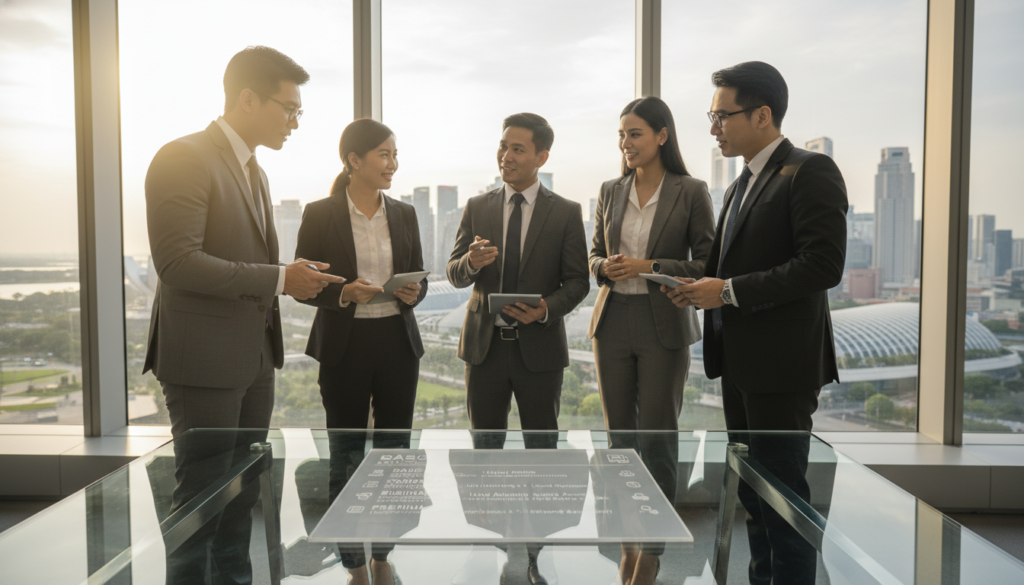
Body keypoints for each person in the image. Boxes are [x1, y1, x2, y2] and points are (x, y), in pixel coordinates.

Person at [143, 46, 344, 584]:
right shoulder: (183, 157)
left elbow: (241, 258)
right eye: (289, 109)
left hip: (254, 357)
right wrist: (280, 278)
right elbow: (177, 262)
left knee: (239, 496)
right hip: (204, 360)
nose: (295, 122)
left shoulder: (255, 171)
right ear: (248, 99)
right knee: (200, 502)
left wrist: (290, 275)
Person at [666, 61, 848, 585]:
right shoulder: (739, 184)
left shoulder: (809, 171)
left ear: (762, 115)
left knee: (784, 502)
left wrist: (726, 292)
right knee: (753, 494)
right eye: (712, 117)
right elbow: (721, 268)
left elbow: (822, 266)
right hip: (741, 364)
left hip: (782, 367)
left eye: (722, 116)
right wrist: (682, 283)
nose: (713, 128)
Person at [446, 112, 589, 584]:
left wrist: (546, 308)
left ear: (541, 157)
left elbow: (578, 281)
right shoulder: (477, 206)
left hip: (539, 350)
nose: (505, 156)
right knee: (484, 449)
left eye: (517, 149)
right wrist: (470, 262)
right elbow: (453, 273)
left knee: (541, 450)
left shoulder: (565, 211)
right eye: (503, 146)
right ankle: (492, 544)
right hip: (484, 348)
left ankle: (535, 552)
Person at [588, 96, 715, 585]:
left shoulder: (691, 190)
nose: (626, 143)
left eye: (635, 133)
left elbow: (706, 263)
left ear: (662, 136)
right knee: (619, 440)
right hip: (612, 319)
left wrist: (649, 266)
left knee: (659, 436)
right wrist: (606, 266)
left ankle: (653, 548)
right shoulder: (610, 190)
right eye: (621, 135)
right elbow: (593, 256)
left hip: (664, 320)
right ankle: (627, 540)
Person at [294, 118, 427, 585]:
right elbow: (303, 286)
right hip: (344, 345)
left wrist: (412, 292)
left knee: (395, 454)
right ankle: (353, 563)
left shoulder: (405, 213)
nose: (393, 163)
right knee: (345, 454)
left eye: (395, 154)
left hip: (396, 342)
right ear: (354, 159)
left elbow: (417, 276)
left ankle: (383, 554)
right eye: (384, 155)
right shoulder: (319, 214)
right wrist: (344, 293)